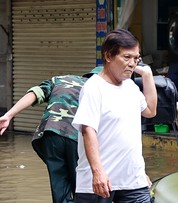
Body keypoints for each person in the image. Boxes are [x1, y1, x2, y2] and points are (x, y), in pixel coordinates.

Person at [72, 29, 157, 203]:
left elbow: (150, 110)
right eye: (127, 57)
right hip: (99, 183)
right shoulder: (93, 88)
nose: (132, 64)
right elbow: (88, 130)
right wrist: (98, 172)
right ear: (108, 56)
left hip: (133, 181)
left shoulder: (131, 87)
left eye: (136, 58)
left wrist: (148, 75)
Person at [0, 66, 101, 203]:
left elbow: (36, 93)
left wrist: (8, 115)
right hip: (77, 137)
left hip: (50, 134)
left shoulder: (60, 79)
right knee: (85, 189)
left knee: (61, 191)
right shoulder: (103, 88)